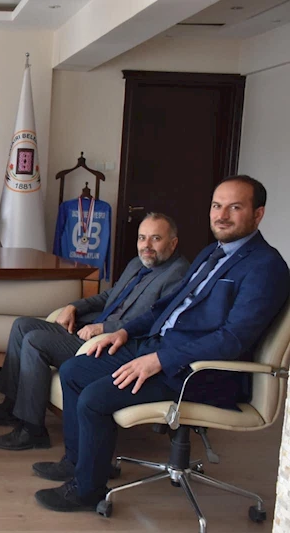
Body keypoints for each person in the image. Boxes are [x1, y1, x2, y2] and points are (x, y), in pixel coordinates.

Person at [32, 175, 290, 513]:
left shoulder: (266, 267)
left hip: (198, 371)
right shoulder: (211, 253)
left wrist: (160, 360)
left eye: (235, 207)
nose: (222, 215)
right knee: (73, 371)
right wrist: (125, 332)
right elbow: (164, 309)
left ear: (258, 214)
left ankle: (87, 490)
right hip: (158, 346)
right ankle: (80, 463)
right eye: (217, 206)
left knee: (95, 398)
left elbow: (232, 339)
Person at [0, 213, 189, 450]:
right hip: (90, 328)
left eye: (155, 238)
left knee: (35, 341)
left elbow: (155, 320)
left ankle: (32, 430)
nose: (146, 245)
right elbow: (110, 296)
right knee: (22, 325)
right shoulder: (138, 263)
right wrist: (74, 307)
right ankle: (10, 407)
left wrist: (103, 327)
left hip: (112, 344)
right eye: (142, 238)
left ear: (173, 243)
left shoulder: (177, 273)